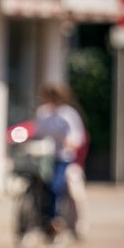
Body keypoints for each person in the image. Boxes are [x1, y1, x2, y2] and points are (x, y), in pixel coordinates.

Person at [34, 83, 88, 238]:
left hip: (63, 158)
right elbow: (38, 132)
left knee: (55, 185)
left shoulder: (68, 115)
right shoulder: (43, 114)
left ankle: (56, 219)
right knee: (37, 184)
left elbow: (78, 138)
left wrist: (69, 142)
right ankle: (38, 217)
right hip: (45, 157)